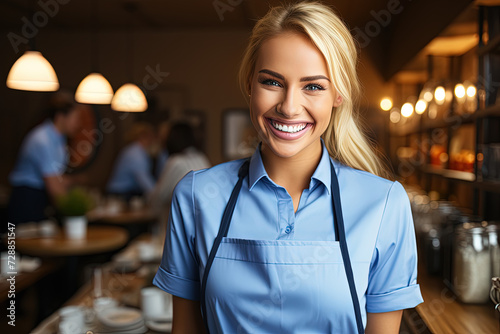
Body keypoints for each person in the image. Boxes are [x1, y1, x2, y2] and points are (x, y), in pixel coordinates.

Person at [153, 2, 423, 333]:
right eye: (272, 82)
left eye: (313, 86)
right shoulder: (195, 195)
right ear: (249, 84)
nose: (290, 107)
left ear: (337, 94)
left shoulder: (384, 205)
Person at [8, 92, 82, 224]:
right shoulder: (42, 139)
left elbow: (57, 176)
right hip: (26, 198)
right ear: (60, 117)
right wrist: (74, 212)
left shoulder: (59, 139)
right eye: (75, 118)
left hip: (40, 197)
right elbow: (53, 185)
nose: (78, 124)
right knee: (18, 242)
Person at [149, 122, 210, 224]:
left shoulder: (176, 161)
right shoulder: (201, 158)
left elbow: (158, 198)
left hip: (182, 222)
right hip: (203, 221)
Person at [106, 122, 157, 201]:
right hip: (121, 193)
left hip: (122, 192)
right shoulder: (136, 154)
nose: (152, 140)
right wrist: (158, 194)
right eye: (151, 137)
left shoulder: (133, 150)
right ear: (144, 137)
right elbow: (143, 179)